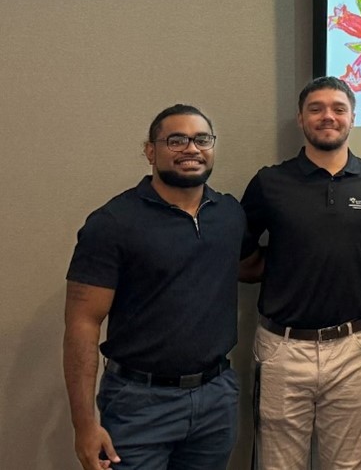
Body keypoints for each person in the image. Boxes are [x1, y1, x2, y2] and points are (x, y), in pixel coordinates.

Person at [63, 104, 247, 470]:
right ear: (151, 151)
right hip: (138, 404)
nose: (191, 149)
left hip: (216, 398)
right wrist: (84, 425)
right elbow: (82, 324)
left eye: (201, 139)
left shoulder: (229, 215)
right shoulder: (113, 223)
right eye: (176, 140)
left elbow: (251, 265)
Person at [239, 76, 361, 470]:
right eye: (316, 109)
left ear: (352, 118)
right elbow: (241, 252)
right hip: (282, 348)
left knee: (347, 464)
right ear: (300, 119)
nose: (327, 117)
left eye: (338, 109)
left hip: (353, 346)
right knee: (278, 465)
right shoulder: (270, 182)